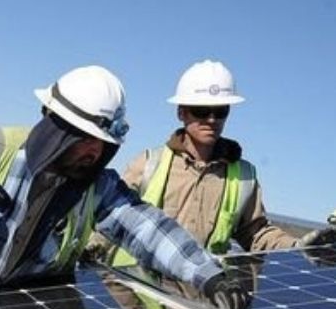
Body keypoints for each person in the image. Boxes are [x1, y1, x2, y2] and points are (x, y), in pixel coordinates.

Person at [0, 65, 250, 309]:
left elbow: (146, 228)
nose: (94, 153)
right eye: (85, 140)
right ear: (56, 128)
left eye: (104, 144)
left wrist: (210, 277)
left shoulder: (96, 184)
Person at [89, 60, 336, 266]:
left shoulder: (244, 176)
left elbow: (256, 233)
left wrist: (298, 247)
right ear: (181, 112)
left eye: (220, 111)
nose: (211, 119)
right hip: (140, 295)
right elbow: (111, 217)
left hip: (205, 295)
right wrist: (90, 250)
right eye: (201, 110)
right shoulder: (148, 164)